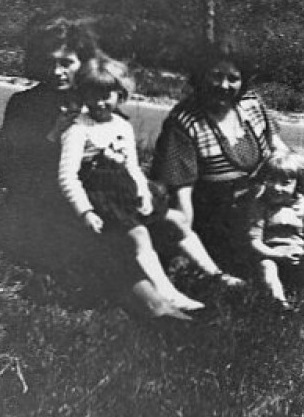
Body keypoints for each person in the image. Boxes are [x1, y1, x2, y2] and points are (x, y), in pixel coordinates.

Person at [0, 17, 185, 321]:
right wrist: (53, 136)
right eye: (48, 62)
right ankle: (154, 304)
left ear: (84, 62)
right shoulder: (25, 104)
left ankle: (189, 281)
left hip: (103, 195)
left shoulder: (96, 99)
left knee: (163, 219)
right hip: (45, 201)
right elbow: (9, 169)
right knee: (104, 239)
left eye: (66, 62)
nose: (57, 72)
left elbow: (118, 156)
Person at [59, 56, 244, 315]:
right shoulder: (78, 130)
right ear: (82, 95)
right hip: (101, 198)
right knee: (140, 236)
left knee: (177, 220)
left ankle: (215, 275)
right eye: (92, 95)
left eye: (106, 95)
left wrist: (144, 194)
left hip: (128, 192)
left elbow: (133, 166)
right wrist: (86, 211)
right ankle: (168, 293)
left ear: (120, 95)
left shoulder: (121, 125)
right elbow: (68, 176)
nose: (100, 103)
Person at [152, 40, 304, 270]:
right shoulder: (183, 123)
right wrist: (183, 244)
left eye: (233, 78)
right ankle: (275, 271)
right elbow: (182, 193)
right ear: (200, 76)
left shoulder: (250, 103)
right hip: (218, 211)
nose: (224, 85)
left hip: (266, 194)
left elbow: (277, 147)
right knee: (262, 237)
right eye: (215, 76)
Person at [241, 148, 304, 309]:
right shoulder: (261, 206)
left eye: (285, 183)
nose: (277, 187)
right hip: (271, 254)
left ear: (298, 184)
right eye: (271, 180)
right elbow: (255, 242)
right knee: (267, 266)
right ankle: (280, 303)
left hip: (299, 255)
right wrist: (277, 255)